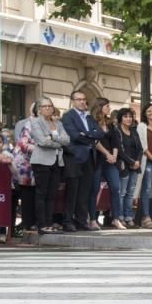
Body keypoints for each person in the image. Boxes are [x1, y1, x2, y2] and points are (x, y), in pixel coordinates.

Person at [61, 91, 104, 232]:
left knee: (84, 192)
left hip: (89, 157)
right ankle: (68, 221)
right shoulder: (68, 116)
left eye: (84, 99)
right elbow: (74, 136)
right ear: (72, 101)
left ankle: (81, 220)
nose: (82, 102)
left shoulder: (89, 117)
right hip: (74, 157)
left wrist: (86, 134)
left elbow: (100, 133)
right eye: (78, 99)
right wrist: (90, 136)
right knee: (72, 191)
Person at [28, 98, 70, 233]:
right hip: (41, 162)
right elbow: (42, 141)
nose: (47, 108)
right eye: (44, 106)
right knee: (41, 193)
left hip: (57, 162)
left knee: (52, 194)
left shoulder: (58, 123)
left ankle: (49, 222)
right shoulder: (35, 122)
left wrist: (52, 137)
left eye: (50, 106)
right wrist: (58, 142)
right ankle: (42, 224)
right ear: (39, 109)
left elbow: (67, 140)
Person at [88, 98, 123, 229]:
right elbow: (94, 141)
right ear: (100, 107)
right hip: (97, 159)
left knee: (115, 187)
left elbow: (115, 141)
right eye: (107, 106)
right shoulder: (91, 121)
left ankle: (115, 218)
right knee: (95, 189)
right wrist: (106, 154)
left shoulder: (109, 123)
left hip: (110, 161)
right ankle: (92, 219)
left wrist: (113, 155)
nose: (109, 108)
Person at [11, 104, 38, 233]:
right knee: (27, 194)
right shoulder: (23, 123)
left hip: (40, 163)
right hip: (25, 165)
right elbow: (19, 141)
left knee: (38, 194)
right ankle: (27, 223)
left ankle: (35, 222)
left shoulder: (48, 123)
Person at [115, 108, 142, 228]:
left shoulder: (134, 131)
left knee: (130, 193)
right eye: (125, 116)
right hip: (124, 165)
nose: (128, 119)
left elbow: (140, 148)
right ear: (121, 118)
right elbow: (120, 151)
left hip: (135, 166)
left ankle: (128, 216)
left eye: (130, 116)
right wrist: (131, 162)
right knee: (122, 192)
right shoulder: (117, 132)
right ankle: (120, 217)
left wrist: (138, 161)